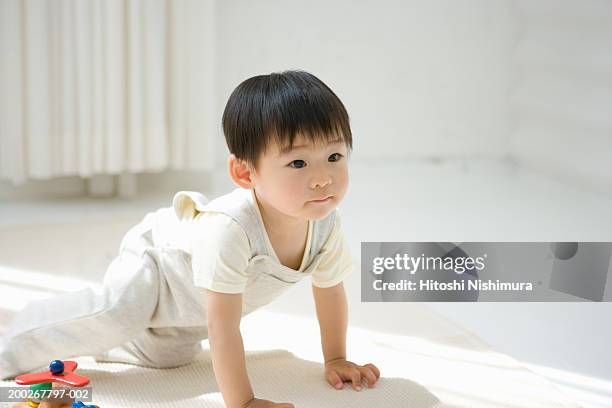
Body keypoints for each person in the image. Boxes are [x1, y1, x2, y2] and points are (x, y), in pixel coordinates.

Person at [0, 70, 380, 408]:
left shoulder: (327, 223)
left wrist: (335, 358)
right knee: (112, 317)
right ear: (245, 173)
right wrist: (243, 401)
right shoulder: (232, 229)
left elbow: (329, 291)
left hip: (190, 306)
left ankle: (107, 337)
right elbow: (223, 328)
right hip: (159, 265)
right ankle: (14, 342)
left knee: (168, 357)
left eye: (334, 156)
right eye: (298, 163)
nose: (322, 178)